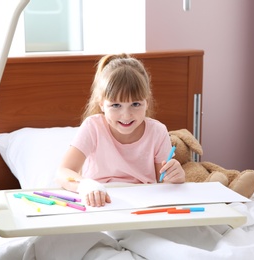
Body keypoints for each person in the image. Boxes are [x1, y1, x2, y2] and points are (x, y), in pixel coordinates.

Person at [57, 53, 185, 207]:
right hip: (102, 202)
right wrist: (85, 185)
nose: (126, 115)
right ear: (102, 104)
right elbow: (63, 172)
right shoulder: (93, 127)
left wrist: (176, 176)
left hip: (145, 204)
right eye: (116, 105)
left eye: (136, 104)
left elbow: (163, 180)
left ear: (147, 102)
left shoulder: (157, 131)